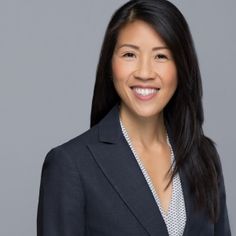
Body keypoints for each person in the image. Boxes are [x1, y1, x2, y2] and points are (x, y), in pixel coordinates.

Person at [37, 0, 231, 235]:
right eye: (130, 54)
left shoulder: (203, 156)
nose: (145, 73)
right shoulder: (70, 165)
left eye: (161, 56)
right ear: (110, 64)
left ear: (182, 66)